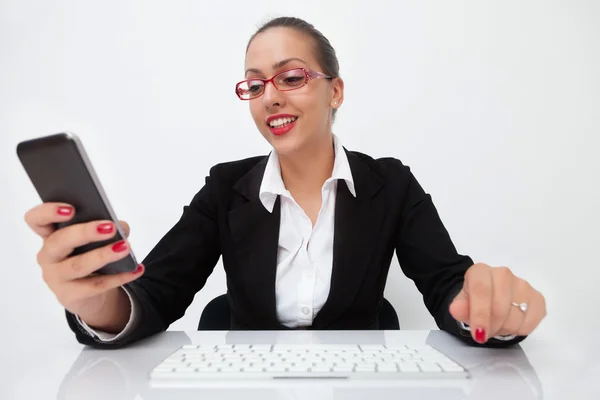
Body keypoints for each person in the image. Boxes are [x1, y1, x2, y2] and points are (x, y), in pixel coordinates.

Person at [24, 16, 546, 349]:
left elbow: (446, 281)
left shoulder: (390, 183)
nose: (270, 96)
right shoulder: (225, 188)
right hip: (248, 386)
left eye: (291, 77)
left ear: (334, 91)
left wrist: (490, 311)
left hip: (356, 388)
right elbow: (157, 293)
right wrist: (94, 302)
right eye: (255, 84)